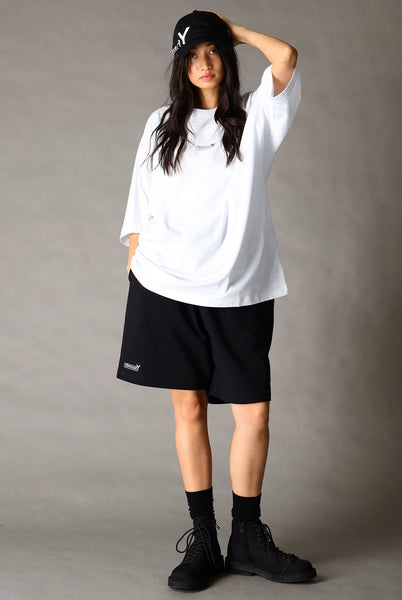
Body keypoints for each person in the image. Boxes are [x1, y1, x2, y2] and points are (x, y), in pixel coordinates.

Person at [116, 9, 317, 591]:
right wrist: (136, 268)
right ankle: (204, 537)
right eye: (192, 54)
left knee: (253, 413)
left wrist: (237, 31)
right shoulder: (160, 124)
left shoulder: (256, 115)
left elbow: (286, 58)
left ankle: (247, 539)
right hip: (166, 287)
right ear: (180, 66)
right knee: (189, 410)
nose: (203, 63)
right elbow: (140, 206)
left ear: (225, 57)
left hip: (240, 287)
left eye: (212, 51)